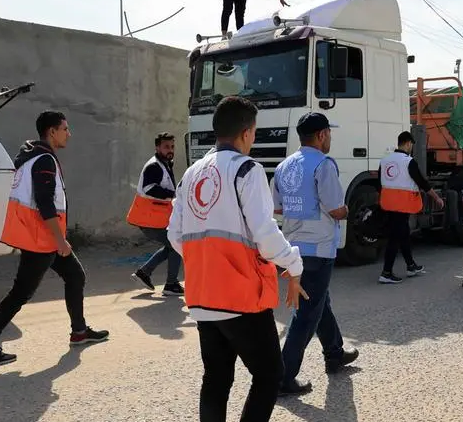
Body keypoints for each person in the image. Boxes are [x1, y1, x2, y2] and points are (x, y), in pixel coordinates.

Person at [168, 96, 308, 422]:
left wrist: (209, 261)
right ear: (246, 133)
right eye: (254, 133)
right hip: (240, 296)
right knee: (270, 373)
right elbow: (266, 233)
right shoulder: (247, 170)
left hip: (203, 295)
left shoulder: (190, 174)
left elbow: (175, 235)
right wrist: (294, 264)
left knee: (216, 378)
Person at [0, 111, 109, 365]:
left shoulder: (32, 156)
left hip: (42, 237)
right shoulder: (43, 160)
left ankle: (79, 332)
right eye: (65, 129)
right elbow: (45, 202)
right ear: (52, 131)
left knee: (75, 275)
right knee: (21, 293)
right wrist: (60, 239)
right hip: (42, 238)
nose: (69, 133)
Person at [273, 113, 359, 396]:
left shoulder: (284, 166)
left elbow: (278, 207)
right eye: (329, 134)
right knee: (306, 314)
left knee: (321, 301)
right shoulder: (323, 165)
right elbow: (335, 208)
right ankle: (283, 377)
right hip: (319, 249)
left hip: (293, 248)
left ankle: (335, 353)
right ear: (321, 135)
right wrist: (346, 211)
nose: (330, 138)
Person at [378, 131, 444, 284]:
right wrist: (437, 198)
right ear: (408, 143)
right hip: (402, 205)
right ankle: (386, 273)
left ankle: (411, 266)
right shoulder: (409, 162)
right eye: (411, 145)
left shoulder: (385, 160)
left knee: (404, 233)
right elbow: (423, 183)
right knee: (395, 237)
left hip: (388, 204)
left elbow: (379, 183)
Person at [127, 132, 184, 296]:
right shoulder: (154, 166)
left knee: (172, 245)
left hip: (154, 219)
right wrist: (172, 194)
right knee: (175, 244)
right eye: (166, 147)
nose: (170, 150)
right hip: (148, 219)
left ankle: (144, 273)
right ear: (157, 147)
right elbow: (149, 188)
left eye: (172, 146)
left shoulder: (164, 163)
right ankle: (171, 284)